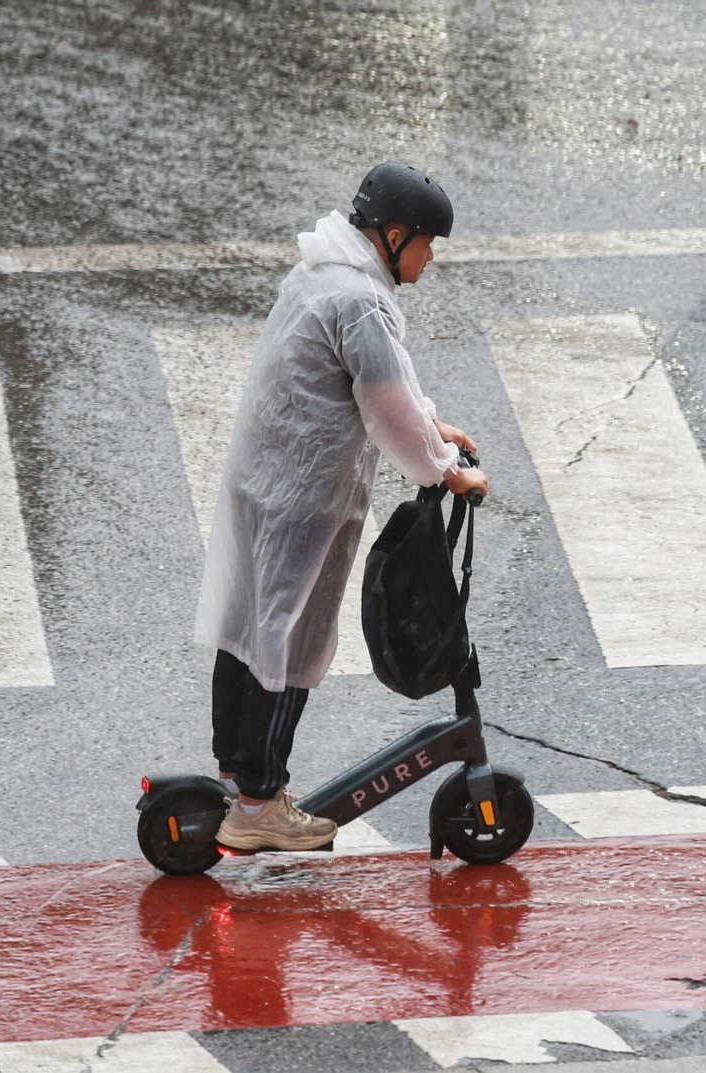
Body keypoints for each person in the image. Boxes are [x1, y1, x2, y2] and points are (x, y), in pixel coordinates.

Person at [195, 161, 490, 851]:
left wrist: (433, 425)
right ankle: (260, 804)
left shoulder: (321, 276)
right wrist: (448, 472)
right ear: (392, 235)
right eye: (426, 243)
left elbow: (373, 382)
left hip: (263, 480)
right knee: (287, 641)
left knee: (249, 630)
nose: (430, 257)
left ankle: (239, 769)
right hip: (301, 495)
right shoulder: (360, 301)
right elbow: (387, 405)